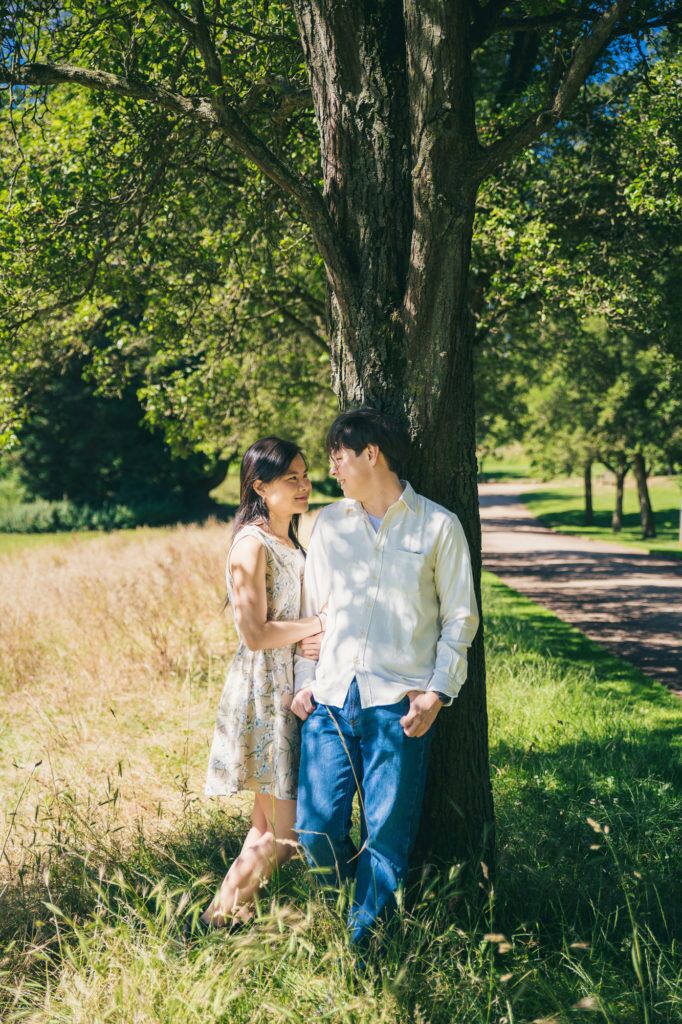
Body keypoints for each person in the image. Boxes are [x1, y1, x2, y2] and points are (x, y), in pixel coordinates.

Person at [292, 407, 479, 946]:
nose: (334, 471)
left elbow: (460, 619)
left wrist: (438, 694)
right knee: (316, 829)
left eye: (339, 458)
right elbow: (314, 609)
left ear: (371, 454)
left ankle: (361, 949)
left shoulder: (438, 525)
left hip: (398, 707)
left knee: (387, 838)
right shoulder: (329, 523)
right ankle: (349, 911)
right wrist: (306, 678)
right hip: (329, 701)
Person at [198, 437, 324, 930]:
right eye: (290, 477)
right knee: (287, 832)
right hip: (267, 690)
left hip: (292, 683)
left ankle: (231, 919)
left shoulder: (290, 539)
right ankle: (219, 916)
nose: (304, 485)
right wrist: (318, 626)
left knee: (268, 824)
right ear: (260, 486)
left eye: (305, 474)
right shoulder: (251, 543)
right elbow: (254, 633)